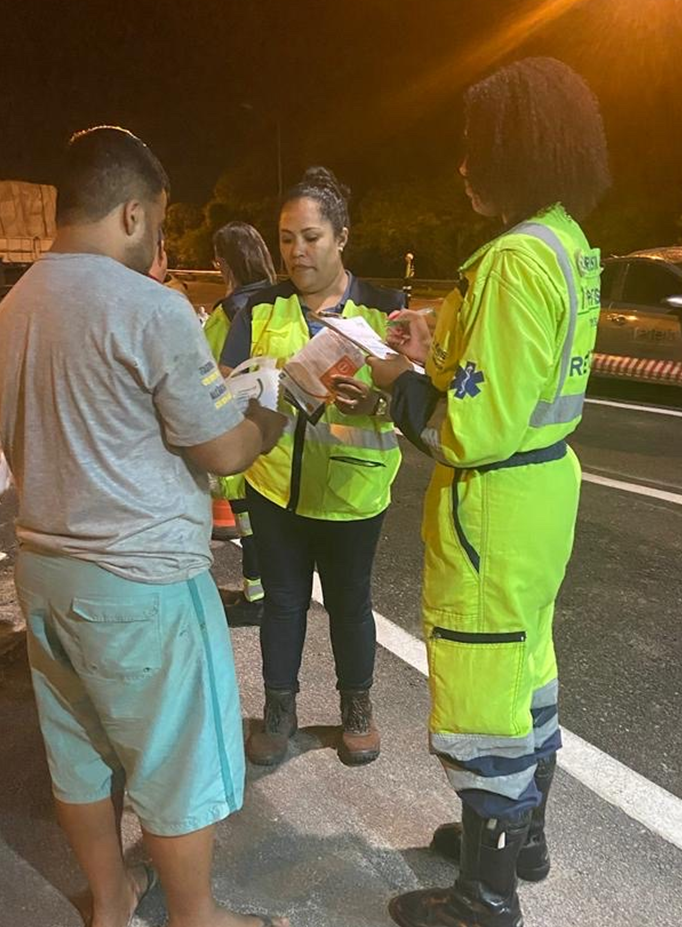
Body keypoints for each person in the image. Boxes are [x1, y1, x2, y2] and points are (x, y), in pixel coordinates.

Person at [0, 126, 288, 927]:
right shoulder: (148, 308)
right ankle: (198, 918)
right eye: (156, 220)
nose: (157, 237)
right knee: (174, 758)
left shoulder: (8, 310)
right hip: (140, 578)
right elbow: (222, 451)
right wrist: (271, 410)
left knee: (78, 753)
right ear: (129, 212)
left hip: (45, 568)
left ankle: (111, 902)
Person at [368, 58, 610, 927]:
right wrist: (439, 338)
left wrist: (396, 373)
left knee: (481, 683)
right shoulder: (567, 242)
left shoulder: (512, 258)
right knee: (526, 663)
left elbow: (474, 426)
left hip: (494, 502)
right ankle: (523, 837)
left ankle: (485, 891)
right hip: (543, 494)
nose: (464, 165)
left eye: (476, 148)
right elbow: (520, 368)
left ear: (518, 148)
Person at [220, 167, 404, 768]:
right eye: (287, 238)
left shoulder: (385, 311)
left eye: (312, 237)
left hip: (354, 494)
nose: (297, 251)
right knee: (282, 604)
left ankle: (357, 709)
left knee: (351, 605)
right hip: (276, 490)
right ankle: (279, 711)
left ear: (342, 236)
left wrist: (375, 400)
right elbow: (224, 389)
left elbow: (415, 403)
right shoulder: (258, 308)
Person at [205, 221, 277, 627]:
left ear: (223, 262)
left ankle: (257, 599)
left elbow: (207, 373)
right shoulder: (277, 303)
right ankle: (259, 592)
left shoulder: (227, 313)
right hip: (273, 428)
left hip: (238, 433)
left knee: (249, 524)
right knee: (262, 523)